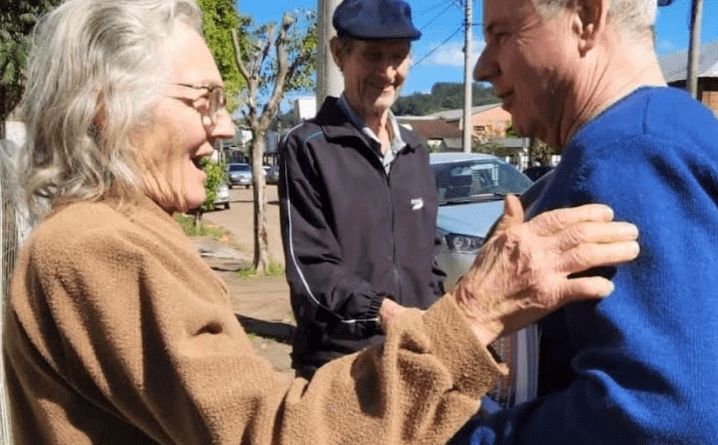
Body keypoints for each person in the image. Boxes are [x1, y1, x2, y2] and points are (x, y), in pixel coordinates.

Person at [1, 0, 641, 444]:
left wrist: (455, 316)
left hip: (391, 386)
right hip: (348, 383)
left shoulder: (418, 152)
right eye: (206, 102)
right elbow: (272, 427)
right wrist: (465, 318)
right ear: (110, 108)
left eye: (399, 56)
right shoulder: (96, 249)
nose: (226, 127)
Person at [450, 0, 718, 443]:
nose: (482, 67)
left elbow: (670, 414)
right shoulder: (670, 129)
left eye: (501, 36)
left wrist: (479, 436)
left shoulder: (626, 153)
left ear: (587, 18)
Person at [279, 0, 449, 379]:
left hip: (412, 360)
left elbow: (428, 261)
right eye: (373, 56)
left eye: (398, 56)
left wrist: (437, 324)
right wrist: (385, 313)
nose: (387, 72)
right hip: (340, 368)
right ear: (339, 54)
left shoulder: (415, 150)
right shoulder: (308, 146)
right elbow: (312, 268)